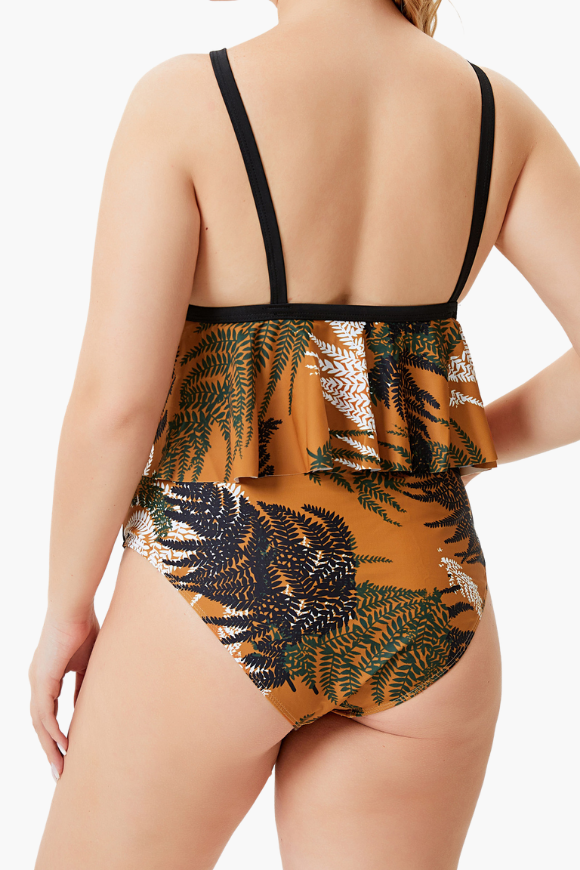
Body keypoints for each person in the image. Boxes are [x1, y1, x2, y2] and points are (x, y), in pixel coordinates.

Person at [29, 1, 580, 867]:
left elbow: (116, 403)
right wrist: (452, 450)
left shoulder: (188, 99)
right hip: (429, 597)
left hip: (220, 576)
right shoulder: (496, 111)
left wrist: (66, 608)